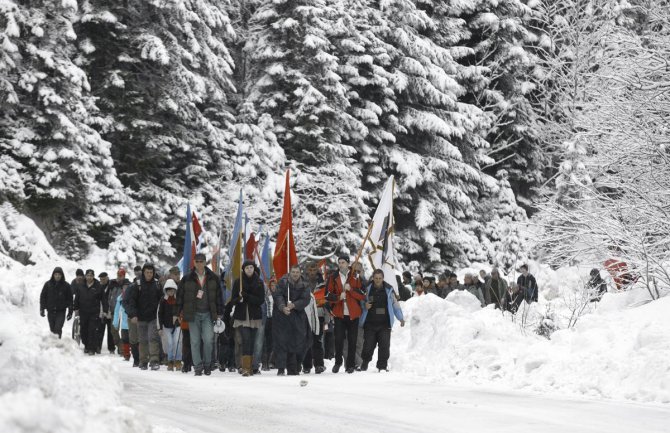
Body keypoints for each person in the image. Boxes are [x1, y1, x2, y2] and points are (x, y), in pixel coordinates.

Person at [177, 253, 223, 376]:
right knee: (195, 341)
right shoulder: (187, 278)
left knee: (208, 340)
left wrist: (219, 313)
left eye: (201, 261)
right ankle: (197, 366)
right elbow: (180, 297)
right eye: (197, 261)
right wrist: (176, 313)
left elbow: (219, 297)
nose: (199, 263)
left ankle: (208, 364)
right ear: (194, 262)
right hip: (193, 314)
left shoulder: (213, 277)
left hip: (208, 313)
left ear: (205, 262)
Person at [326, 255, 365, 374]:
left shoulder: (356, 276)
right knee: (338, 339)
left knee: (352, 340)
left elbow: (362, 294)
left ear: (348, 263)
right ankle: (338, 362)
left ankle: (350, 365)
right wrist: (338, 297)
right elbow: (327, 295)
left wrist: (351, 290)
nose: (340, 264)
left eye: (343, 262)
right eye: (339, 262)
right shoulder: (333, 277)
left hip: (353, 313)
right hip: (339, 314)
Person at [360, 269, 405, 372]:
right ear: (373, 278)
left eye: (380, 278)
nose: (378, 280)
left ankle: (382, 366)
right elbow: (361, 301)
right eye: (376, 278)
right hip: (370, 323)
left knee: (384, 346)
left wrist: (400, 318)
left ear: (383, 278)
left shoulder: (389, 289)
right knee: (368, 346)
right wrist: (364, 305)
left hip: (384, 324)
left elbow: (395, 304)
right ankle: (365, 362)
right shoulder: (366, 288)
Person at [272, 265, 311, 376]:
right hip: (282, 317)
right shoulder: (283, 282)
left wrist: (294, 305)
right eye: (293, 272)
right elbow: (278, 295)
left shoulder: (305, 284)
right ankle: (280, 368)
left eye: (297, 272)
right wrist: (282, 307)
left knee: (298, 342)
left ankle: (294, 367)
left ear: (300, 273)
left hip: (298, 316)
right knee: (281, 342)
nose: (295, 274)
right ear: (290, 273)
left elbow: (306, 299)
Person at [230, 260, 265, 376]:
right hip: (242, 315)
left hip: (254, 316)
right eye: (247, 268)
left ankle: (252, 366)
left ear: (254, 269)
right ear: (243, 270)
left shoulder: (259, 282)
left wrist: (247, 296)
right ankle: (245, 367)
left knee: (253, 341)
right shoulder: (238, 282)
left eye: (251, 267)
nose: (249, 270)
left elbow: (260, 300)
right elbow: (233, 300)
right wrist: (238, 299)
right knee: (246, 339)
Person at [126, 263, 162, 370]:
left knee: (153, 338)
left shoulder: (157, 284)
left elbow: (161, 301)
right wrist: (133, 314)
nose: (149, 274)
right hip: (140, 317)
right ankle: (143, 361)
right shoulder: (137, 285)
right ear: (143, 272)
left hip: (153, 317)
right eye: (147, 272)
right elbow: (130, 301)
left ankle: (154, 360)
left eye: (151, 272)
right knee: (142, 340)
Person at [73, 269, 108, 355]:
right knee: (83, 330)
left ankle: (92, 348)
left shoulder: (98, 286)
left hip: (94, 312)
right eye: (88, 275)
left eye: (91, 276)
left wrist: (105, 310)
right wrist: (75, 308)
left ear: (93, 276)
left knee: (92, 330)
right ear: (85, 276)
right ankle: (86, 345)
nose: (89, 277)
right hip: (83, 312)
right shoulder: (81, 286)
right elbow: (77, 298)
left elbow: (103, 299)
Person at [302, 262, 326, 374]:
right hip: (305, 315)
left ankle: (319, 364)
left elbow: (327, 301)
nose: (312, 272)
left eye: (314, 270)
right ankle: (306, 365)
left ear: (317, 270)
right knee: (306, 340)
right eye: (310, 270)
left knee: (317, 340)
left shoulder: (323, 283)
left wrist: (327, 318)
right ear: (307, 271)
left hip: (319, 314)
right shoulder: (301, 283)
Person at [40, 267, 73, 338]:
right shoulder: (48, 284)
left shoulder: (66, 285)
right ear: (53, 275)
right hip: (50, 311)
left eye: (59, 274)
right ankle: (54, 346)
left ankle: (57, 345)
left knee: (58, 328)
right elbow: (43, 297)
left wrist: (70, 311)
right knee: (52, 329)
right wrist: (42, 309)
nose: (57, 276)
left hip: (61, 311)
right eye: (56, 274)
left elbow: (70, 299)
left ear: (62, 275)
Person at [158, 279, 182, 371]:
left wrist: (179, 317)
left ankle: (179, 360)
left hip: (177, 325)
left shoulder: (178, 299)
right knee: (170, 343)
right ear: (166, 290)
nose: (170, 292)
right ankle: (170, 361)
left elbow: (181, 309)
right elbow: (159, 314)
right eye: (168, 290)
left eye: (172, 290)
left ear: (175, 289)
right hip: (166, 326)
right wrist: (159, 327)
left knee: (178, 342)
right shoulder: (163, 300)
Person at [108, 268, 130, 356]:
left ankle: (124, 349)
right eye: (118, 275)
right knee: (113, 330)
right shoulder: (113, 284)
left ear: (124, 276)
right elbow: (109, 296)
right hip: (114, 310)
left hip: (125, 312)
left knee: (124, 331)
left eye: (121, 276)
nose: (119, 277)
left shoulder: (128, 284)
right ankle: (121, 346)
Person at [96, 272, 116, 354]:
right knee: (100, 330)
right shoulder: (98, 287)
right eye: (101, 279)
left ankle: (111, 348)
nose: (102, 281)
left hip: (110, 311)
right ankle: (98, 347)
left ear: (107, 278)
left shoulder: (112, 286)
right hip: (101, 311)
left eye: (104, 279)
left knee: (111, 332)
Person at [112, 283, 130, 361]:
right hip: (124, 324)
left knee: (134, 340)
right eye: (124, 288)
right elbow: (116, 311)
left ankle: (137, 355)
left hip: (133, 322)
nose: (125, 289)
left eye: (127, 287)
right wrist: (115, 322)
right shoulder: (120, 299)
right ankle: (126, 355)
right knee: (125, 339)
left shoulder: (134, 296)